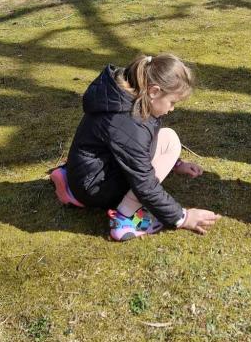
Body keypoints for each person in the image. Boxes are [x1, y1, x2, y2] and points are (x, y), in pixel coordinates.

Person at [50, 53, 220, 242]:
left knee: (167, 138)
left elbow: (137, 148)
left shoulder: (123, 97)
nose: (172, 109)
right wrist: (182, 217)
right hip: (94, 188)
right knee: (170, 141)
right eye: (172, 102)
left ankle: (69, 183)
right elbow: (144, 183)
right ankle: (126, 218)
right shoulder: (130, 122)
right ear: (154, 91)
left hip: (84, 173)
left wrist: (174, 164)